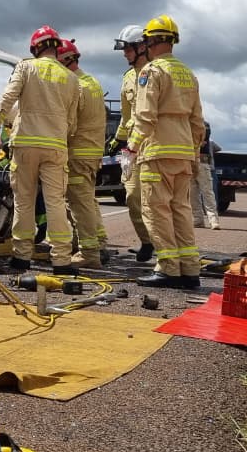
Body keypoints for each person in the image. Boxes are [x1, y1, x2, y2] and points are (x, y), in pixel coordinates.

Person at [124, 15, 205, 289]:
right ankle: (190, 270)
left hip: (156, 152)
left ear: (152, 41)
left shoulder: (152, 72)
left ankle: (168, 269)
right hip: (182, 152)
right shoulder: (188, 74)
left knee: (156, 211)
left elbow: (145, 116)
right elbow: (197, 121)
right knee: (180, 209)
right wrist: (193, 152)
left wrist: (131, 148)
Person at [0, 25, 80, 274]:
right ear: (55, 47)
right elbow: (72, 122)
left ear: (36, 48)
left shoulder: (26, 67)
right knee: (55, 202)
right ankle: (62, 260)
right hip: (55, 146)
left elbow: (7, 99)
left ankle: (21, 257)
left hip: (26, 144)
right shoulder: (71, 78)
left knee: (24, 201)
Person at [56, 38, 107, 270]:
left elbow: (70, 124)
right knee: (87, 200)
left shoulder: (75, 86)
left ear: (66, 60)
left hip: (78, 152)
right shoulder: (91, 82)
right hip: (91, 152)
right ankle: (98, 243)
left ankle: (89, 253)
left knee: (79, 203)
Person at [105, 24, 154, 263]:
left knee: (156, 200)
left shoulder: (156, 73)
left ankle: (163, 246)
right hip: (130, 147)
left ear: (142, 46)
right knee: (132, 194)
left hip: (153, 144)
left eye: (127, 49)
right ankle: (147, 242)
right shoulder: (127, 79)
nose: (124, 54)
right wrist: (115, 141)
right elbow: (126, 117)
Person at [190, 121, 221, 229]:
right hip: (192, 162)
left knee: (206, 192)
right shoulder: (193, 122)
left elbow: (204, 135)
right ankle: (199, 220)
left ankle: (213, 220)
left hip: (200, 161)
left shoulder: (202, 124)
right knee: (193, 195)